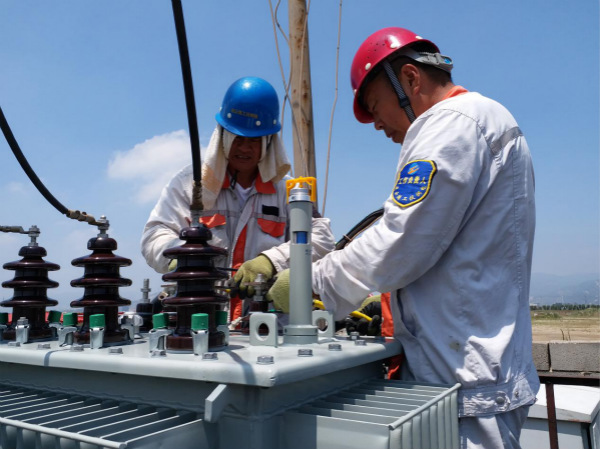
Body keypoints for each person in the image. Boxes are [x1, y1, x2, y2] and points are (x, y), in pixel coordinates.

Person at [267, 28, 538, 449]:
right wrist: (385, 302)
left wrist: (312, 282)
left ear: (410, 79)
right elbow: (442, 249)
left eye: (375, 106)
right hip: (464, 369)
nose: (376, 124)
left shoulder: (452, 123)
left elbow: (401, 240)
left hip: (466, 383)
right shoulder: (478, 120)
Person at [141, 76, 335, 323]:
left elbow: (321, 239)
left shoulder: (289, 191)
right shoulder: (190, 184)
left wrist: (271, 261)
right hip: (200, 321)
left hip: (269, 325)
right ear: (223, 136)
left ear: (269, 142)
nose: (244, 148)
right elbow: (154, 234)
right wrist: (179, 255)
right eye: (238, 138)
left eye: (254, 140)